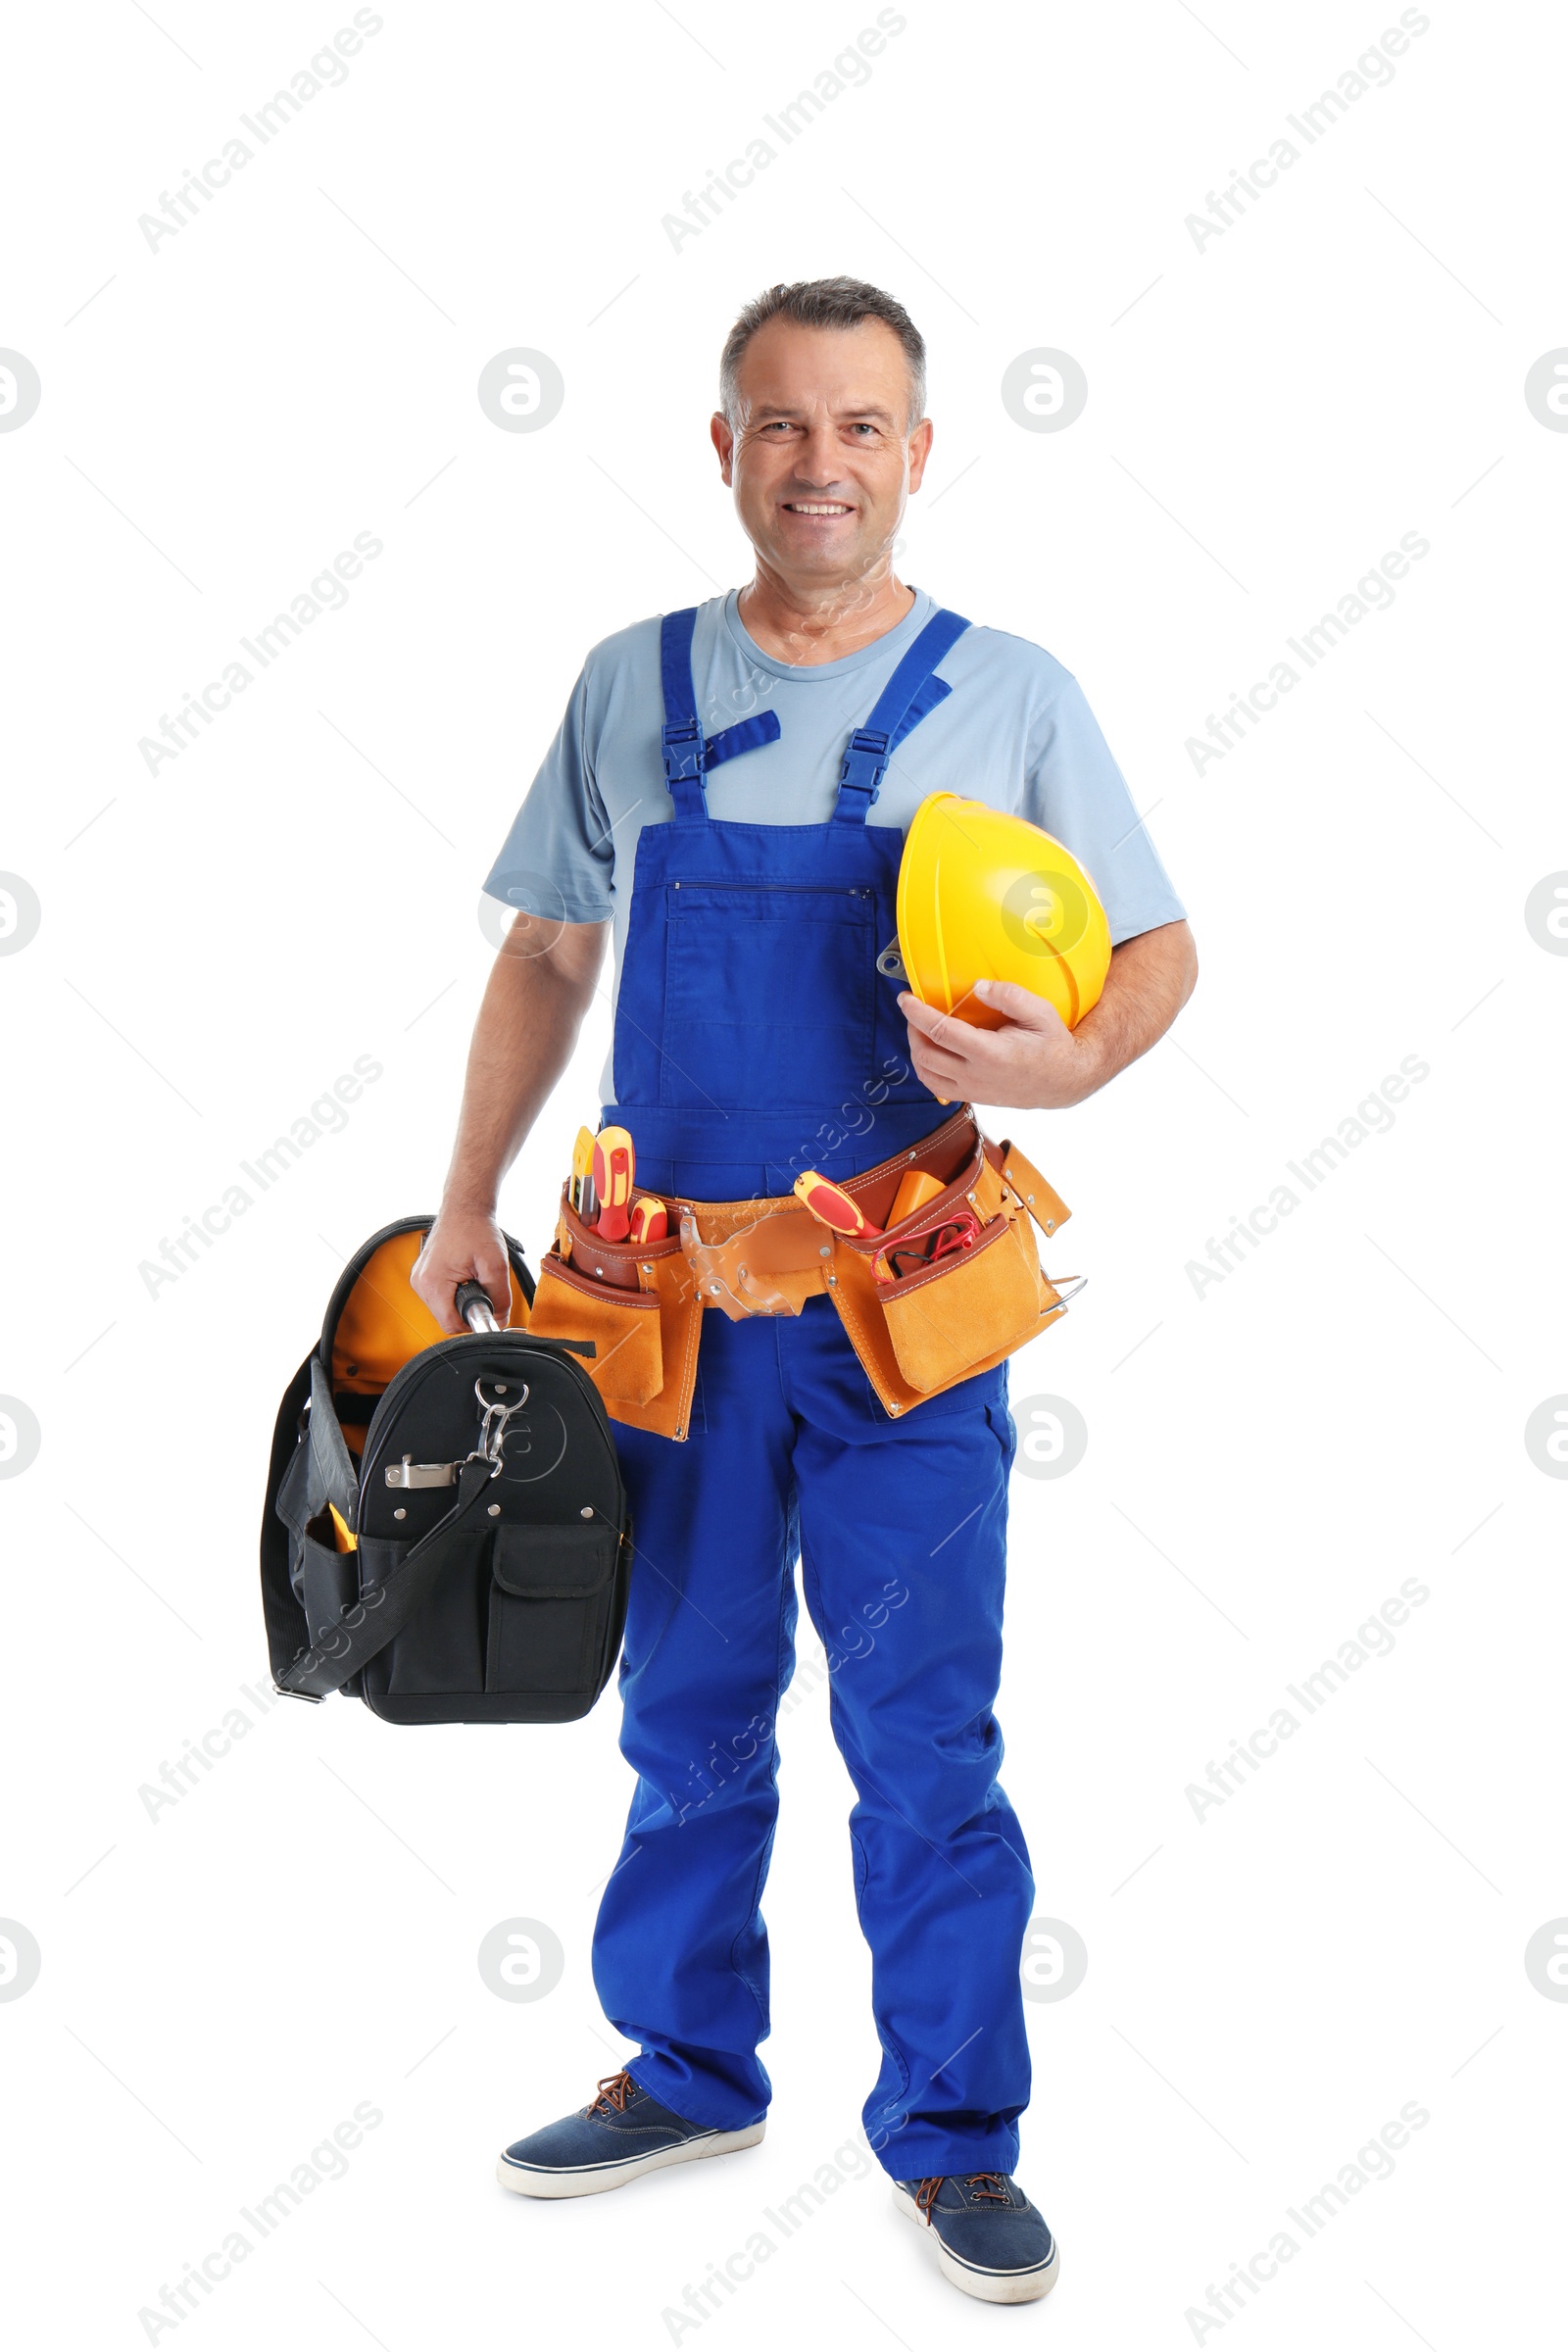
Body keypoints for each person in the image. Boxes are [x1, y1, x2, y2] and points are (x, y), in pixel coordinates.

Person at [412, 276, 1196, 2306]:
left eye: (858, 427)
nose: (817, 463)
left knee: (923, 1731)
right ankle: (686, 2065)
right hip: (655, 1306)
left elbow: (1155, 958)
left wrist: (1065, 1062)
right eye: (779, 424)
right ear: (723, 449)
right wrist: (459, 1197)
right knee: (680, 1706)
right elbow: (543, 955)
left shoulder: (1006, 692)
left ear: (918, 454)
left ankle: (950, 2140)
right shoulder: (626, 685)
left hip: (898, 1298)